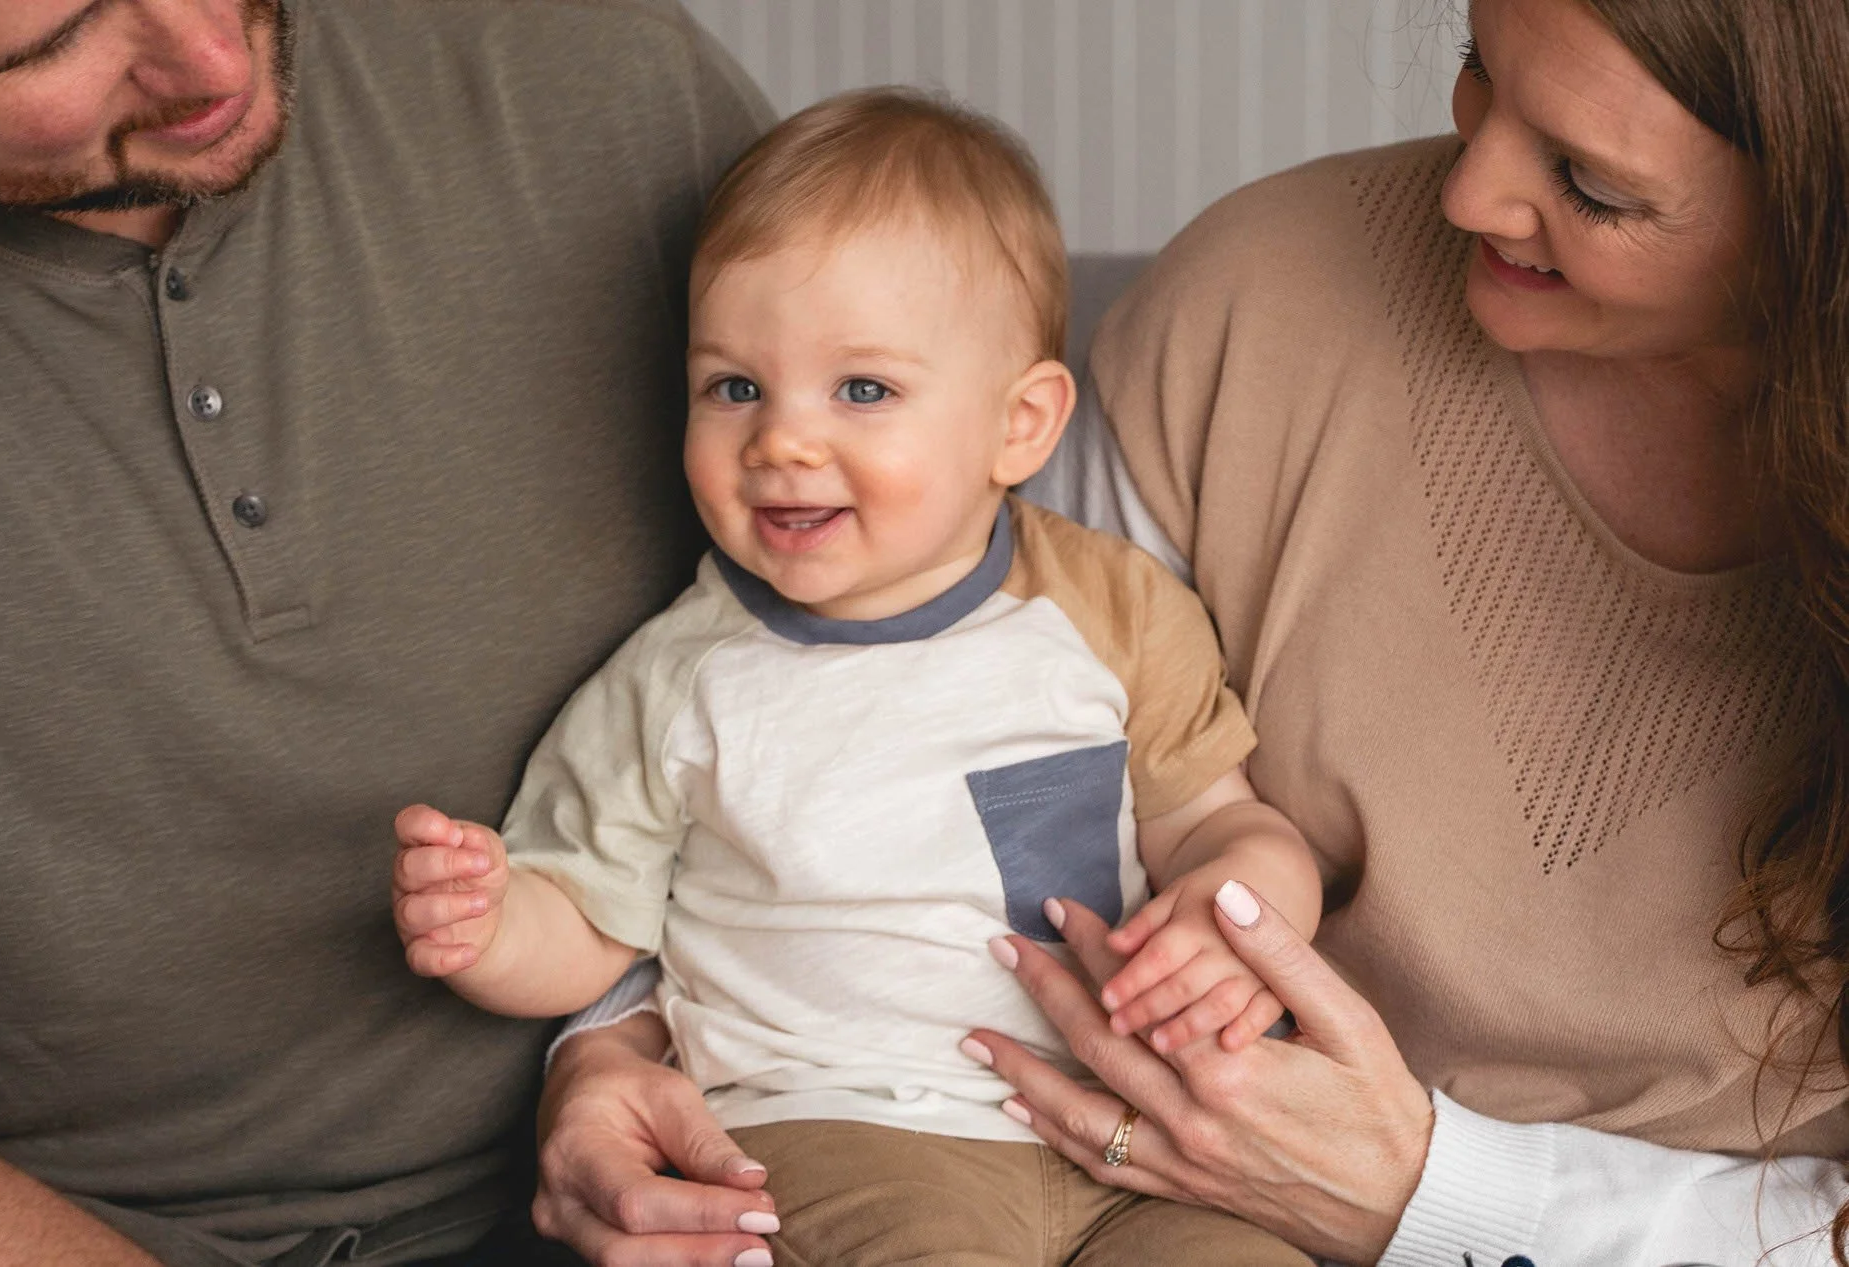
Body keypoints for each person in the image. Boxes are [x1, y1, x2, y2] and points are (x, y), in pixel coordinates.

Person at [528, 1, 1849, 1264]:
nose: (1470, 191)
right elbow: (871, 726)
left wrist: (1427, 1193)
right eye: (1478, 69)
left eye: (1590, 181)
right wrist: (610, 1050)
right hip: (1048, 1151)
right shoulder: (1254, 303)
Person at [391, 89, 1322, 1265]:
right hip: (837, 1127)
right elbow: (585, 928)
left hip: (1133, 1129)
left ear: (1020, 426)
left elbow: (1226, 827)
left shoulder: (1112, 608)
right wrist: (485, 925)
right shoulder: (678, 679)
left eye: (862, 391)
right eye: (734, 386)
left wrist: (1242, 907)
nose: (781, 440)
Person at [0, 1, 774, 1264]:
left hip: (697, 1136)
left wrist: (617, 1032)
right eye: (49, 46)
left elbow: (907, 631)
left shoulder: (589, 62)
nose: (211, 59)